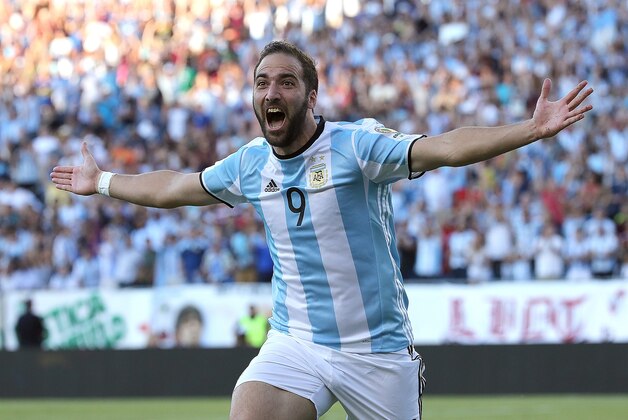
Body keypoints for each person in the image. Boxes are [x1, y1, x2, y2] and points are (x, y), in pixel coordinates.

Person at [51, 40, 593, 419]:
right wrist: (103, 182)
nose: (271, 92)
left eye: (286, 82)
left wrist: (530, 128)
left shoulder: (357, 146)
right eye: (262, 83)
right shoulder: (249, 164)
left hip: (376, 351)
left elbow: (443, 148)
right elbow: (174, 188)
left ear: (310, 98)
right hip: (297, 341)